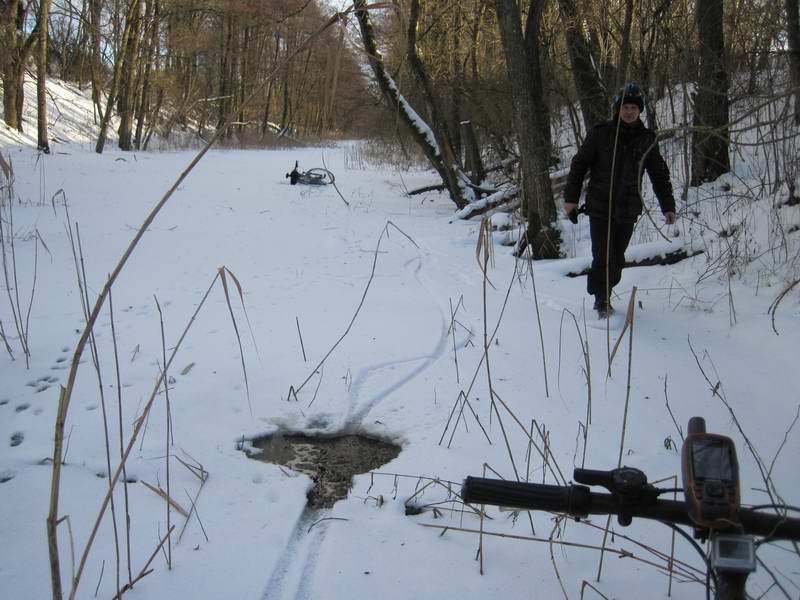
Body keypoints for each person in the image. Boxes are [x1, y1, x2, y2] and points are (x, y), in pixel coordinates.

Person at [564, 83, 676, 317]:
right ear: (618, 109)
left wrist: (668, 206)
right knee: (602, 256)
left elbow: (659, 174)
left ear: (639, 110)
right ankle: (601, 299)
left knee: (616, 259)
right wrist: (571, 199)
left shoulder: (647, 140)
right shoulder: (601, 133)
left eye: (634, 107)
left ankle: (604, 289)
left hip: (628, 209)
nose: (629, 112)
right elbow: (579, 164)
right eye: (625, 107)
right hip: (599, 207)